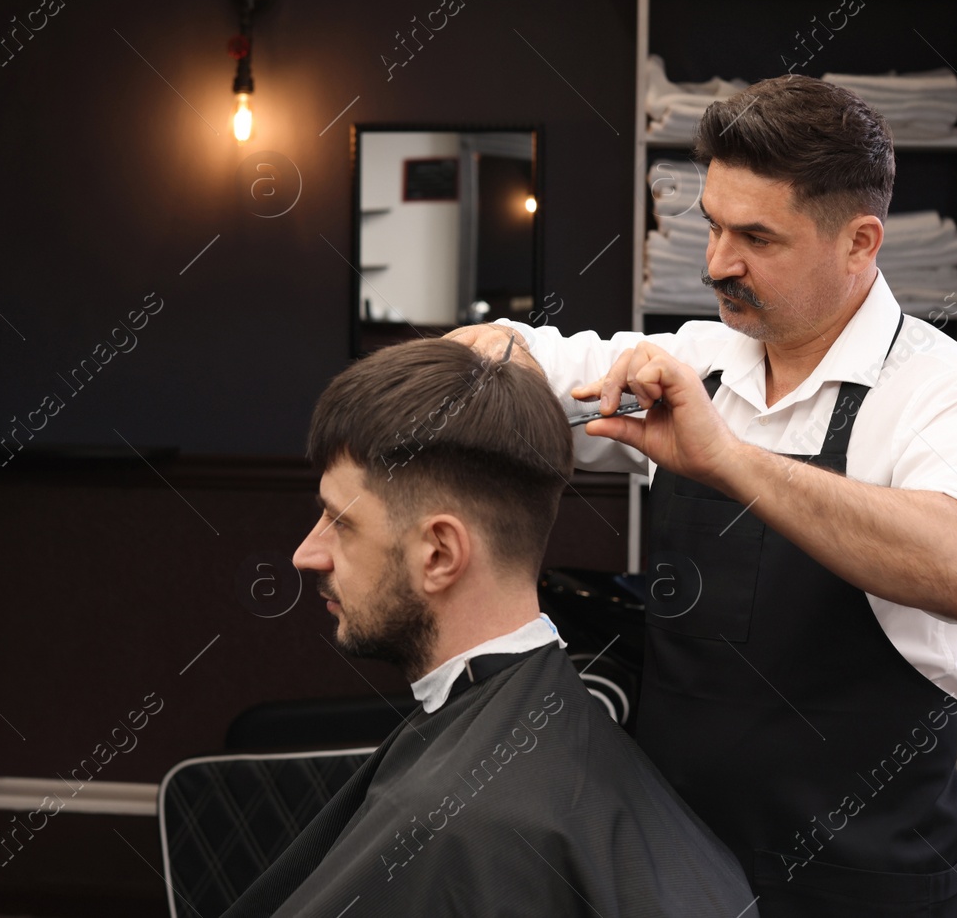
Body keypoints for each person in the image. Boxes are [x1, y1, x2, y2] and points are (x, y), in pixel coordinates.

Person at [449, 75, 957, 917]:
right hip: (682, 876)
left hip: (862, 889)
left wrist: (728, 458)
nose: (719, 262)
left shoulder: (945, 393)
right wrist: (456, 366)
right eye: (715, 225)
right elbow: (520, 357)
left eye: (757, 236)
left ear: (860, 241)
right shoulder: (699, 356)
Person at [220, 338, 757, 918]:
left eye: (340, 522)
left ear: (439, 554)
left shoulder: (475, 823)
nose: (306, 554)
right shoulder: (547, 759)